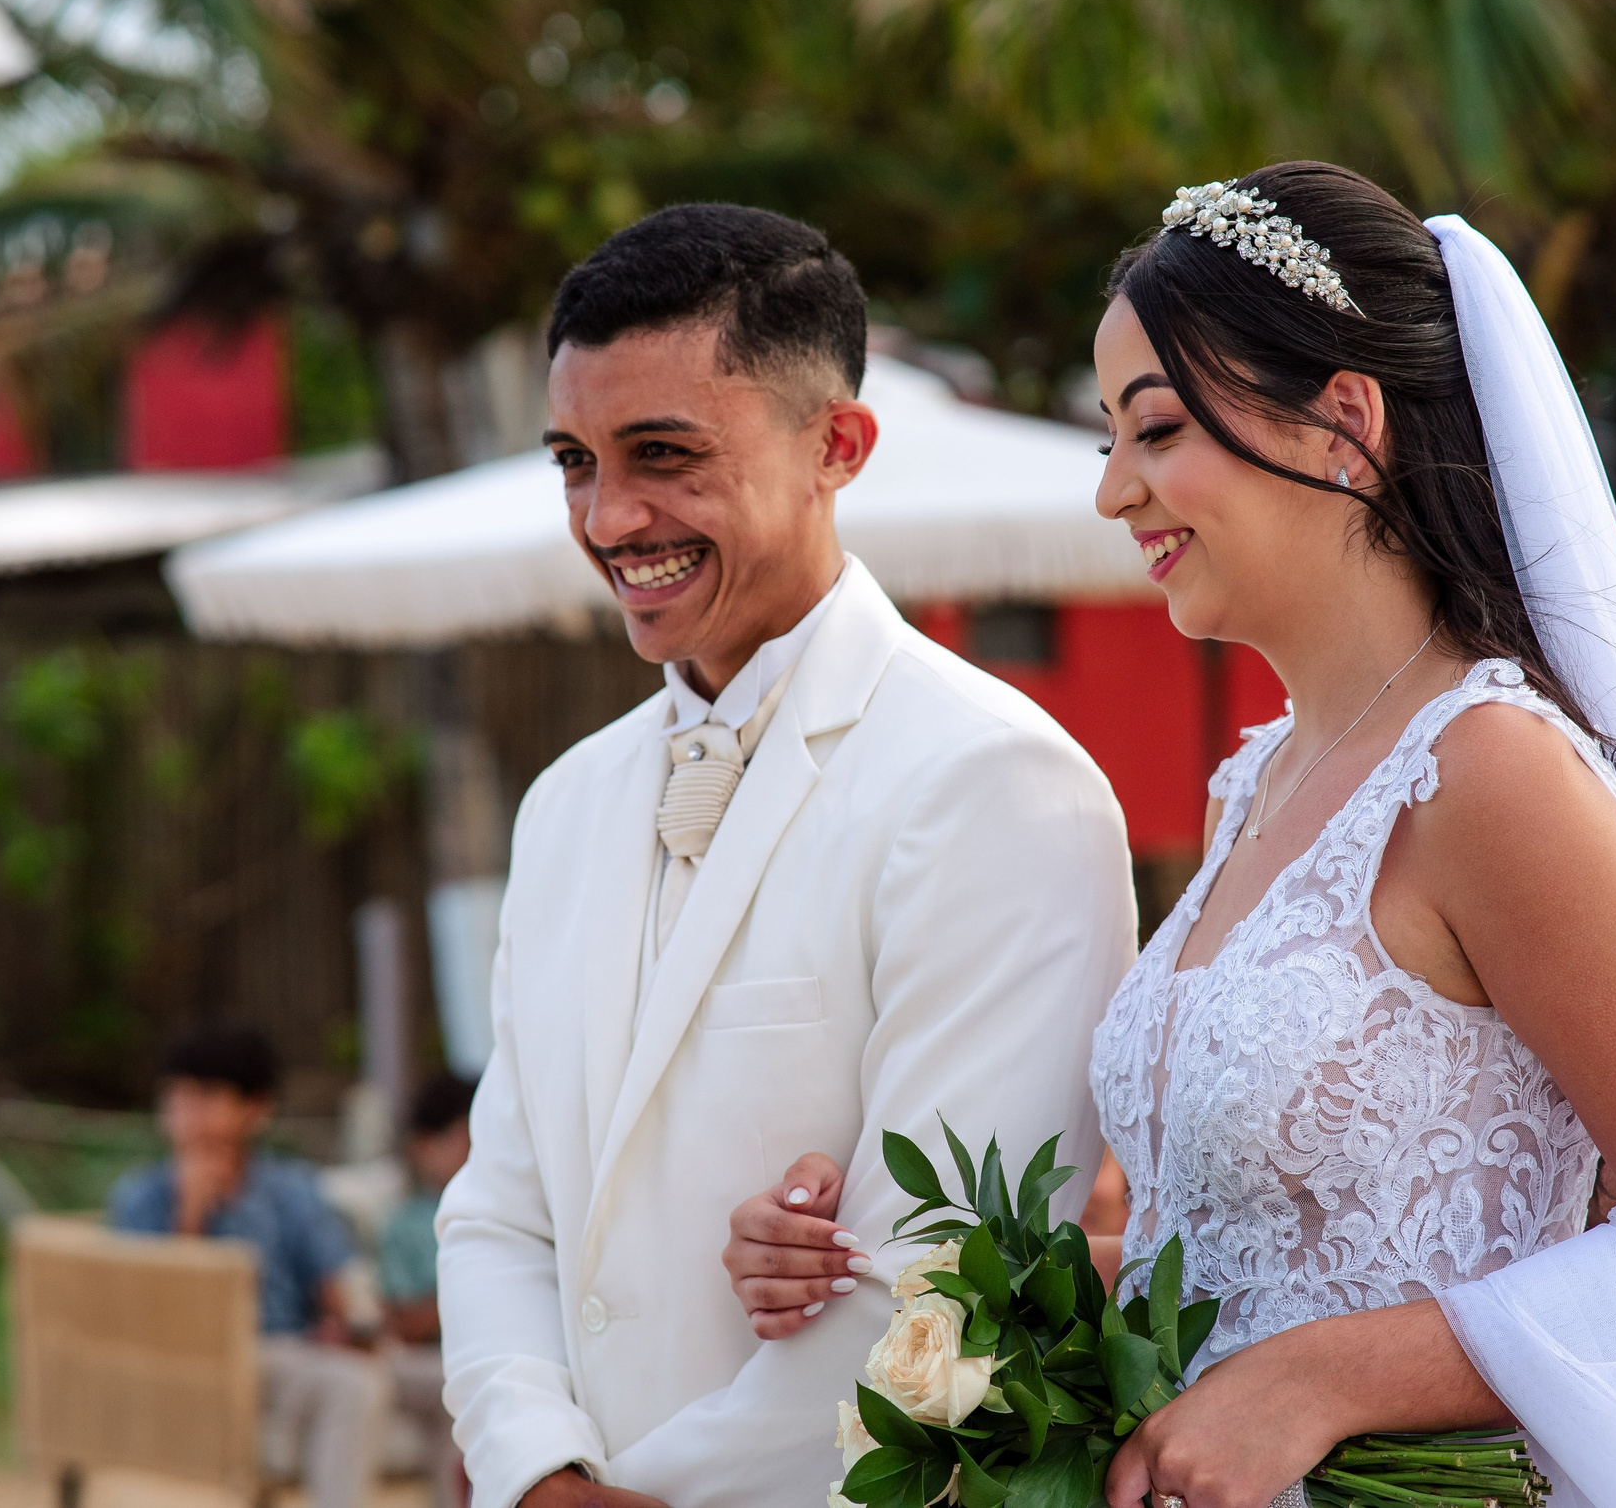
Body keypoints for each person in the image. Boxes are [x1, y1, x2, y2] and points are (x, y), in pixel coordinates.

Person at [724, 164, 1616, 1508]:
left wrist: (1328, 1376)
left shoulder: (1487, 774)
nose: (1115, 490)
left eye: (1156, 427)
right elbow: (1246, 1252)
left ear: (1346, 420)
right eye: (1112, 440)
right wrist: (893, 1276)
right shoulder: (1260, 783)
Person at [434, 204, 1136, 1508]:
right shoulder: (565, 803)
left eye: (663, 454)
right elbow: (499, 1213)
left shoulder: (998, 783)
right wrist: (537, 1471)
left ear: (839, 444)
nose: (609, 513)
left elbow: (955, 1293)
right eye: (575, 460)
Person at [110, 1024, 390, 1508]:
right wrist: (189, 1216)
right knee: (350, 1387)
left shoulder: (290, 1189)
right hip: (197, 1365)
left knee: (435, 1379)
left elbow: (337, 1277)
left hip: (293, 1357)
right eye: (176, 1097)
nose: (186, 1114)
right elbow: (149, 1319)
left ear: (256, 1108)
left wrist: (353, 1324)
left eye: (206, 1096)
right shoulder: (142, 1198)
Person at [383, 1073, 478, 1508]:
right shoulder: (406, 1223)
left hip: (487, 1351)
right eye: (468, 1136)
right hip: (433, 1357)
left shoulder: (515, 1212)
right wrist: (479, 1290)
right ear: (424, 1146)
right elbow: (402, 1324)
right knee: (462, 1388)